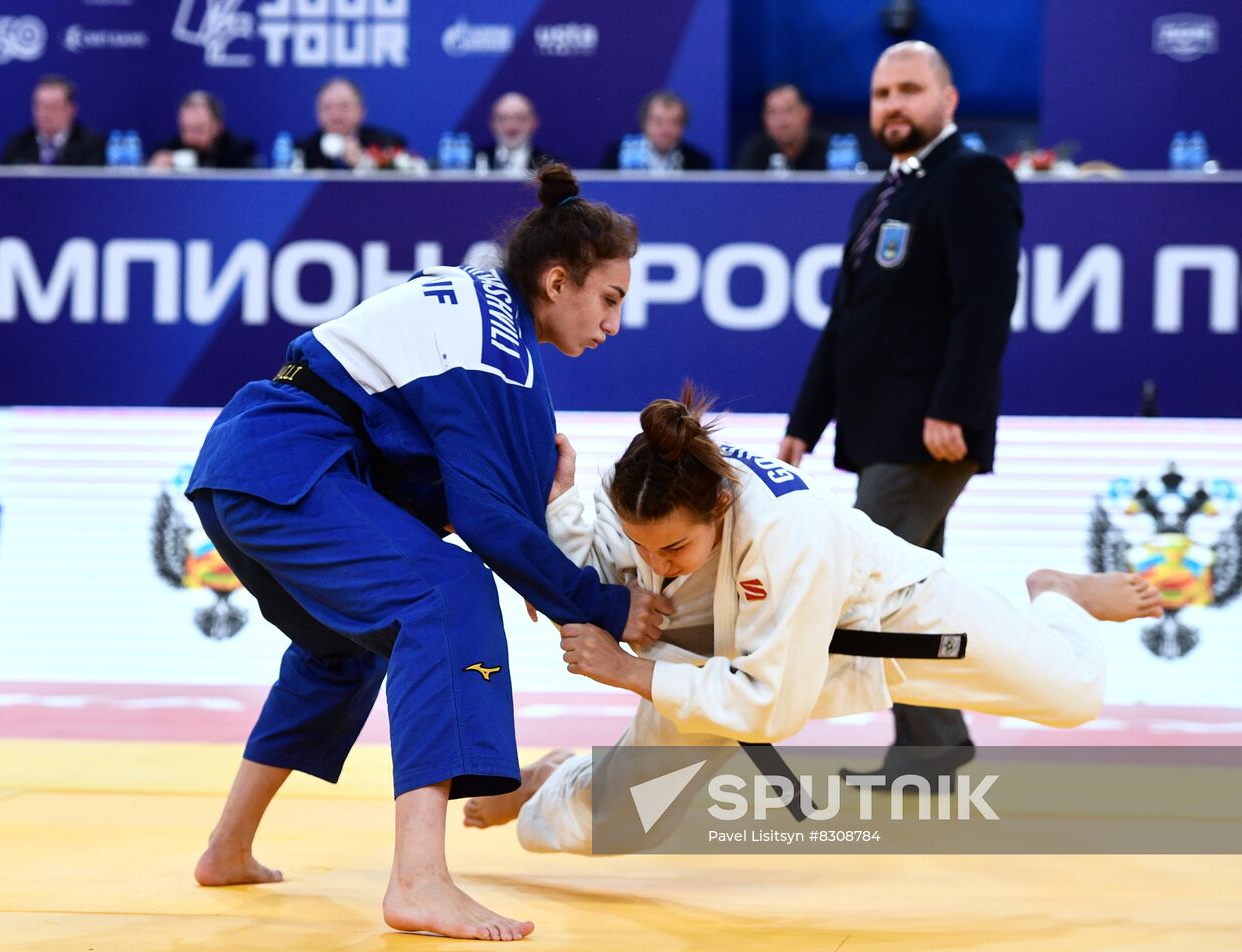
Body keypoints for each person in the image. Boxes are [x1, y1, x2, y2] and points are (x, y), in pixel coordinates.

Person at [185, 163, 671, 940]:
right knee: (445, 592)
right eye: (610, 299)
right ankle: (418, 881)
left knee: (341, 650)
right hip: (293, 465)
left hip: (246, 465)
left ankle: (227, 848)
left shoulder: (473, 297)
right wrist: (605, 603)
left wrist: (537, 513)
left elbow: (448, 477)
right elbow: (487, 521)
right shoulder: (502, 350)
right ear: (557, 281)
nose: (614, 323)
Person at [461, 388, 1163, 854]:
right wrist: (556, 513)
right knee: (616, 829)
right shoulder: (651, 485)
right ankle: (560, 775)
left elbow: (771, 709)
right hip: (728, 661)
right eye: (645, 548)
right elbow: (595, 558)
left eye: (673, 548)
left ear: (722, 506)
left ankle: (1059, 593)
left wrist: (631, 671)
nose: (658, 566)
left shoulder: (786, 531)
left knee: (1076, 695)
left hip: (894, 624)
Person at [776, 41, 1023, 786]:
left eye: (910, 90)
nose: (893, 105)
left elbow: (986, 307)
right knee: (907, 598)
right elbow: (845, 324)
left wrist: (954, 407)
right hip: (878, 431)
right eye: (882, 93)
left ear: (947, 100)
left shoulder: (973, 178)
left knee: (864, 587)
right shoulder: (879, 194)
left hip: (929, 433)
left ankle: (936, 746)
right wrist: (802, 426)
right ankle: (930, 750)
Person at [297, 77, 406, 170]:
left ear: (361, 110)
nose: (336, 115)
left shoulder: (387, 145)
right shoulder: (303, 150)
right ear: (317, 113)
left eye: (344, 106)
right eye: (327, 108)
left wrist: (364, 163)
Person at [0, 75, 105, 166]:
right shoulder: (19, 144)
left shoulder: (92, 145)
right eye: (39, 106)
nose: (44, 113)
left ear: (70, 109)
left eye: (52, 107)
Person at [601, 91, 713, 171]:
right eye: (658, 121)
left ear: (683, 126)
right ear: (644, 123)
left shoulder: (698, 162)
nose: (665, 129)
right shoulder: (618, 153)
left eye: (674, 122)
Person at [148, 91, 256, 170]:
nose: (191, 137)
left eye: (199, 129)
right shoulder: (167, 149)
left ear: (218, 126)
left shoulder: (239, 151)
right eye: (186, 129)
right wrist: (155, 171)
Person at [734, 83, 830, 171]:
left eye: (789, 110)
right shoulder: (754, 152)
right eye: (773, 112)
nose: (781, 120)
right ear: (764, 118)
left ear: (806, 113)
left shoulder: (828, 150)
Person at [475, 92, 549, 173]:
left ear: (534, 122)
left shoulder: (549, 166)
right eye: (503, 119)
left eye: (520, 118)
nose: (511, 126)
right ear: (492, 124)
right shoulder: (473, 162)